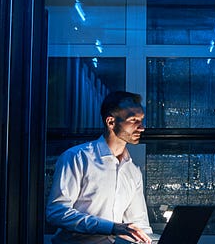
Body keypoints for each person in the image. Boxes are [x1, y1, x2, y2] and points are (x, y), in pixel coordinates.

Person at [47, 90, 155, 244]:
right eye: (133, 120)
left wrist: (149, 239)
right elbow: (57, 212)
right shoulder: (77, 158)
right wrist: (111, 227)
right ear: (111, 122)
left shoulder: (133, 170)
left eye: (141, 120)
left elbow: (139, 223)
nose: (141, 127)